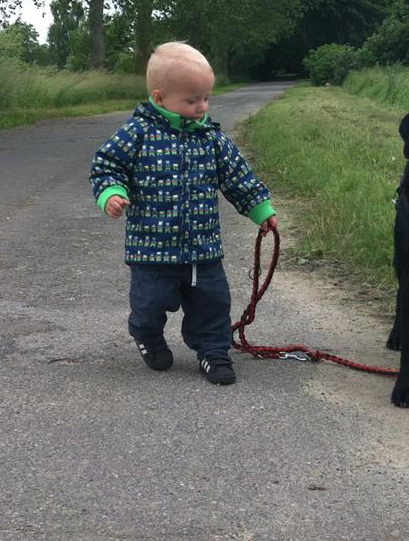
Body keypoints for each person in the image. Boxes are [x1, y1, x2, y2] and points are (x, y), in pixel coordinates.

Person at [89, 42, 279, 385]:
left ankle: (214, 352)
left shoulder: (210, 138)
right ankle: (146, 335)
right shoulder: (138, 133)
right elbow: (107, 166)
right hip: (150, 251)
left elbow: (238, 177)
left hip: (203, 249)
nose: (201, 107)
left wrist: (260, 209)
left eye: (206, 98)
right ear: (160, 99)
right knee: (148, 307)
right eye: (192, 100)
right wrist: (111, 193)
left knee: (213, 304)